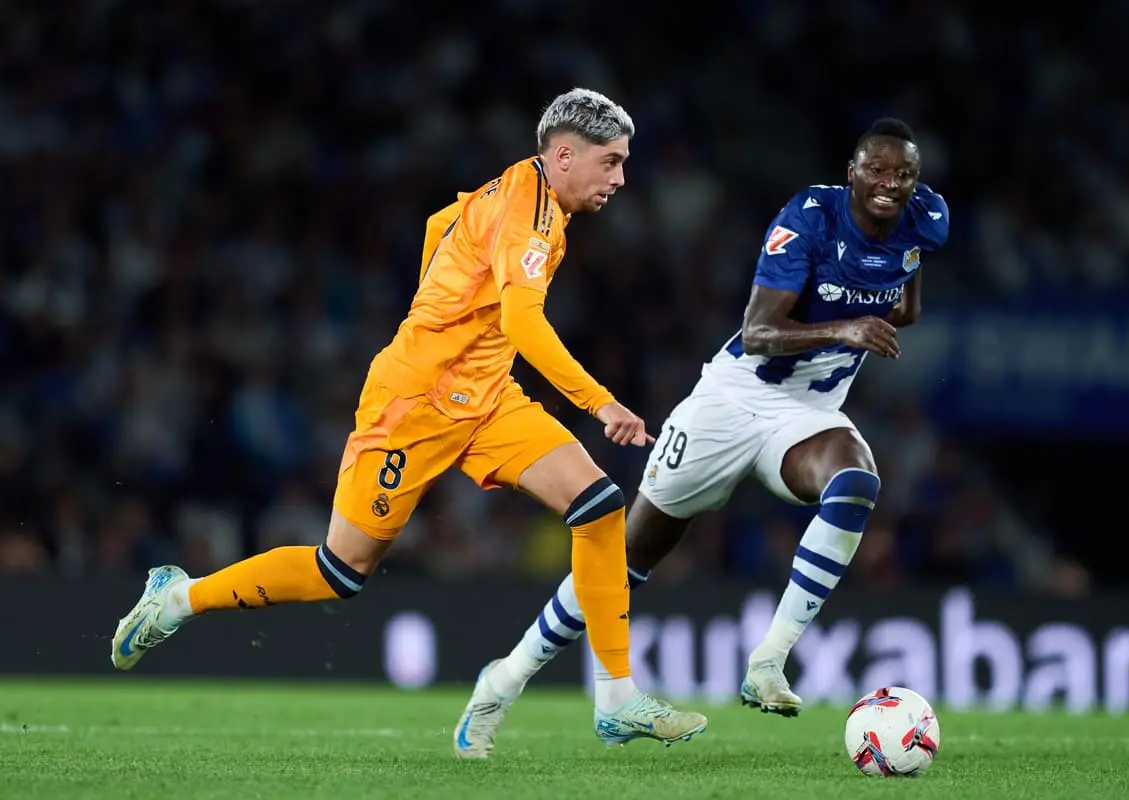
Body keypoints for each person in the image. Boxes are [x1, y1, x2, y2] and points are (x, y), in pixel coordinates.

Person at [109, 88, 708, 753]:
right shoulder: (529, 215)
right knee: (341, 571)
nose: (621, 178)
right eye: (612, 161)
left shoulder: (518, 194)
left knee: (598, 506)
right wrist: (601, 402)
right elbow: (522, 321)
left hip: (485, 397)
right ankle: (180, 598)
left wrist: (447, 315)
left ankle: (617, 696)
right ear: (564, 155)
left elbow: (437, 226)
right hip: (415, 405)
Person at [453, 117, 949, 757]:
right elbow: (761, 329)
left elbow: (905, 303)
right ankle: (504, 679)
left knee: (856, 482)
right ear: (852, 171)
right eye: (877, 170)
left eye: (903, 174)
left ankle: (768, 661)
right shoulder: (809, 218)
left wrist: (882, 310)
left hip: (808, 412)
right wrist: (846, 328)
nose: (890, 184)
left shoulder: (925, 220)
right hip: (731, 400)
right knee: (624, 560)